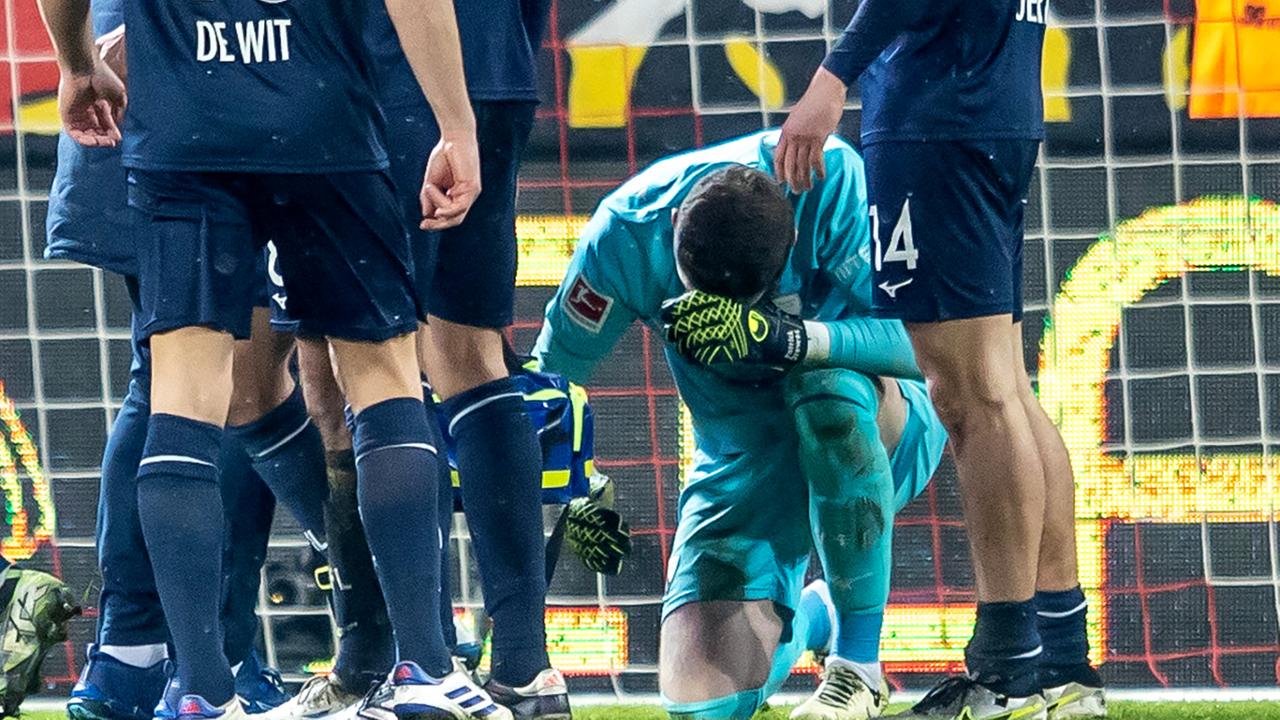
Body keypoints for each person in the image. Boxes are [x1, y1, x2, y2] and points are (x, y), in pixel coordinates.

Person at [36, 0, 505, 718]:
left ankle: (200, 687)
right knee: (382, 377)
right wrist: (456, 124)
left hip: (186, 129)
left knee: (182, 393)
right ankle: (427, 669)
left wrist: (77, 63)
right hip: (325, 123)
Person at [533, 130, 947, 720]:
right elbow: (552, 381)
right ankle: (814, 616)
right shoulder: (623, 232)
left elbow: (935, 341)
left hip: (878, 423)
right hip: (739, 464)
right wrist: (576, 494)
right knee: (700, 708)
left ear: (795, 238)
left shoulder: (830, 180)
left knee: (824, 392)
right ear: (673, 221)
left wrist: (796, 340)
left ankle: (857, 668)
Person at [775, 1, 1106, 717]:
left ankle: (1007, 672)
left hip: (939, 110)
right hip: (996, 94)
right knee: (1004, 387)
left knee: (971, 396)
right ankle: (1061, 664)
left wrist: (834, 76)